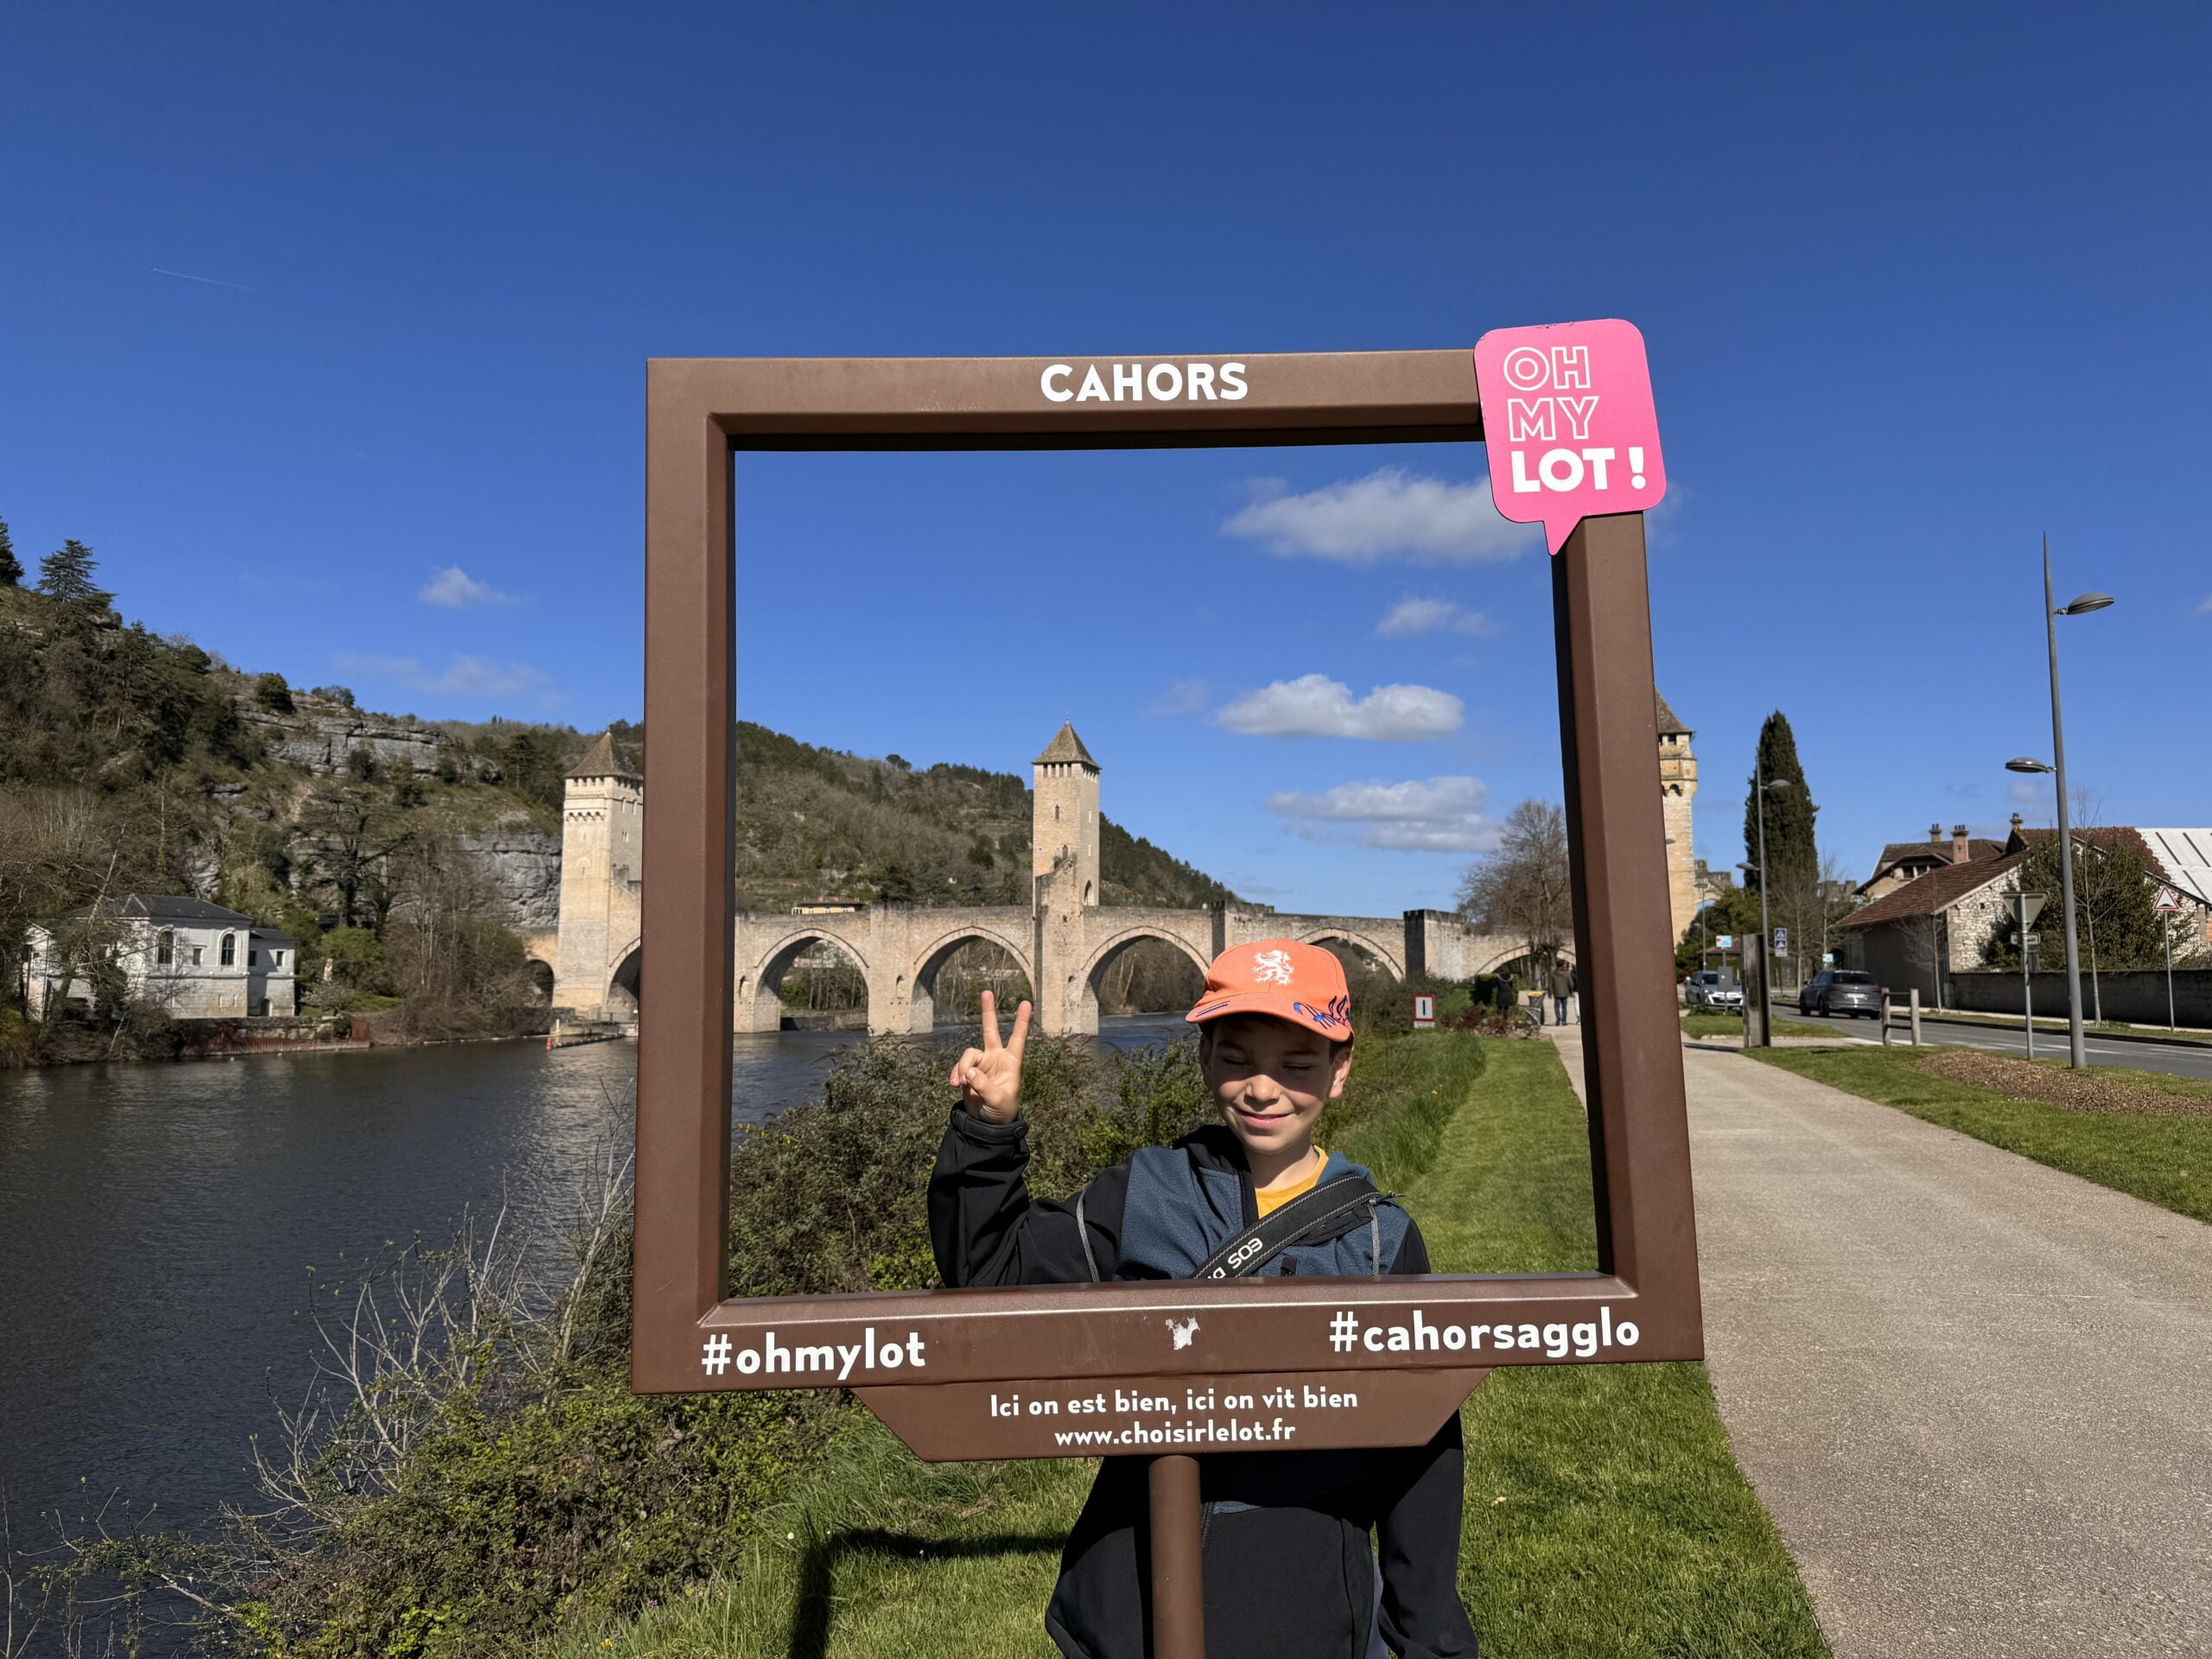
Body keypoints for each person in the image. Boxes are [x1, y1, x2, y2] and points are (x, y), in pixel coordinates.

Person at [930, 940, 1478, 1659]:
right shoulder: (1142, 1195)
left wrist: (1430, 1638)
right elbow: (992, 1277)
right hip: (1133, 1613)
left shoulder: (1381, 1239)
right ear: (1204, 1058)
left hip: (1310, 1615)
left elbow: (1422, 1451)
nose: (1262, 1087)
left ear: (1340, 1071)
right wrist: (987, 1134)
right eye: (1237, 1057)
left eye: (1297, 1064)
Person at [1549, 962, 1574, 1027]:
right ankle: (1564, 1021)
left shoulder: (1553, 974)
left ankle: (1558, 1019)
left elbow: (1550, 985)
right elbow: (1571, 984)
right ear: (1563, 965)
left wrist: (1549, 993)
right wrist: (1571, 991)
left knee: (1557, 1007)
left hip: (1556, 993)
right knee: (1564, 1007)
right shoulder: (1567, 974)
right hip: (1565, 993)